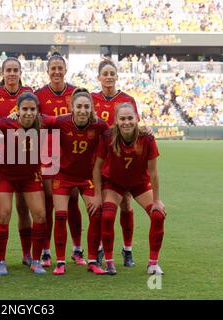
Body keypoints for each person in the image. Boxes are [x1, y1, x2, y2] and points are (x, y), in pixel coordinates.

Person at [92, 103, 166, 275]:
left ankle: (153, 263)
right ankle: (109, 261)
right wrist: (97, 194)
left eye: (130, 118)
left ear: (137, 119)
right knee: (108, 215)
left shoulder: (147, 138)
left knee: (158, 215)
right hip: (114, 183)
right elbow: (97, 168)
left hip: (139, 183)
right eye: (122, 119)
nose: (127, 122)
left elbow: (153, 172)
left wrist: (157, 200)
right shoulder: (108, 136)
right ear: (116, 121)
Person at [44, 88, 109, 275]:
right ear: (72, 107)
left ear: (91, 108)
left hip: (87, 178)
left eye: (86, 107)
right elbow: (37, 119)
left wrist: (143, 129)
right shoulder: (60, 121)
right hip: (63, 176)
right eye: (79, 106)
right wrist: (17, 115)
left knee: (96, 214)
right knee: (61, 215)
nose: (82, 110)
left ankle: (92, 261)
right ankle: (60, 262)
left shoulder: (100, 125)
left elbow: (117, 133)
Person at [0, 92, 48, 275]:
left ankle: (34, 260)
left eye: (32, 109)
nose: (28, 113)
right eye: (25, 109)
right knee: (3, 214)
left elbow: (67, 119)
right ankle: (0, 261)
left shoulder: (43, 123)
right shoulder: (6, 123)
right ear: (18, 110)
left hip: (29, 177)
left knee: (40, 215)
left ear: (37, 111)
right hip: (4, 175)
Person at [34, 52, 86, 268]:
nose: (56, 71)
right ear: (48, 71)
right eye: (52, 68)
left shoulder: (76, 93)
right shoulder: (38, 95)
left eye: (60, 68)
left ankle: (76, 249)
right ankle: (46, 252)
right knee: (47, 203)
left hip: (70, 157)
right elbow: (35, 121)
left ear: (65, 70)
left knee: (72, 201)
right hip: (46, 156)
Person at [91, 59, 140, 267]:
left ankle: (127, 250)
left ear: (117, 76)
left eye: (112, 73)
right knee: (102, 205)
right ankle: (101, 248)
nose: (109, 77)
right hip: (99, 158)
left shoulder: (127, 100)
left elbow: (135, 127)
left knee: (126, 203)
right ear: (99, 77)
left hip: (122, 159)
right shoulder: (92, 99)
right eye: (105, 73)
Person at [0, 57, 34, 268]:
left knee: (24, 209)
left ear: (20, 72)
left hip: (24, 159)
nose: (12, 73)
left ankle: (26, 254)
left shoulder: (29, 94)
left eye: (16, 70)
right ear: (2, 73)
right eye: (8, 70)